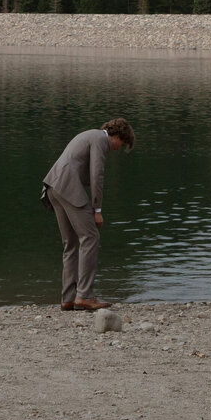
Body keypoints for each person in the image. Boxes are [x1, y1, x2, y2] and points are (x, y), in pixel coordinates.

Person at [42, 118, 135, 311]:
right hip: (68, 187)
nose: (118, 149)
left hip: (53, 186)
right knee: (90, 237)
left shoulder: (88, 135)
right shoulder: (100, 140)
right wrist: (97, 209)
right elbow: (97, 174)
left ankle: (68, 298)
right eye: (122, 144)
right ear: (117, 136)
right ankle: (84, 295)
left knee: (71, 244)